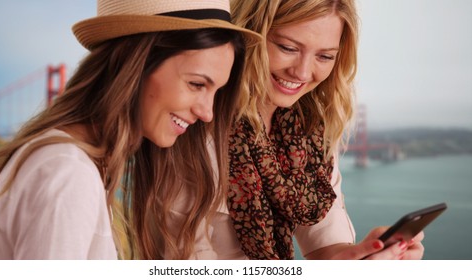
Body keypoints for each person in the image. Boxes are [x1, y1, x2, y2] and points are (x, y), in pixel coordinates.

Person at [0, 0, 261, 260]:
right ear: (136, 65)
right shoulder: (68, 174)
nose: (207, 113)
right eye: (197, 84)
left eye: (216, 92)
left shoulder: (69, 164)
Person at [167, 0, 424, 260]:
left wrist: (362, 257)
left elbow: (327, 248)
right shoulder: (187, 124)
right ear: (247, 34)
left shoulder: (309, 133)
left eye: (324, 56)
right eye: (287, 48)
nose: (302, 72)